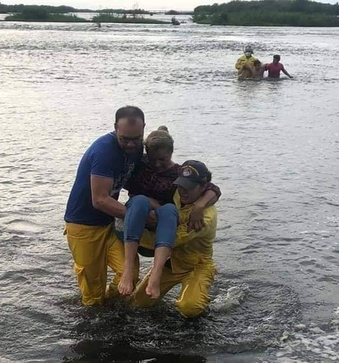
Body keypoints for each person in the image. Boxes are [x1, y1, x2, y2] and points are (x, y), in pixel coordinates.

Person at [118, 127, 221, 299]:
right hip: (167, 253)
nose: (157, 165)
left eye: (162, 160)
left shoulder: (177, 174)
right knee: (141, 201)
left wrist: (200, 206)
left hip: (189, 256)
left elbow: (212, 187)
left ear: (171, 153)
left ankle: (158, 276)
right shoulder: (140, 164)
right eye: (152, 160)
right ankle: (129, 270)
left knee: (189, 308)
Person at [64, 106, 145, 306]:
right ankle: (94, 321)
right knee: (93, 294)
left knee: (130, 273)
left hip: (108, 224)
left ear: (144, 128)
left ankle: (110, 304)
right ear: (115, 128)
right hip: (83, 226)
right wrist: (135, 216)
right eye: (125, 138)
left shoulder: (137, 147)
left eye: (136, 138)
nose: (131, 144)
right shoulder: (105, 151)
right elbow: (99, 199)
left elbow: (132, 182)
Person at [130, 160, 218, 318]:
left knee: (189, 308)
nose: (183, 191)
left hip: (197, 265)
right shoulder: (178, 194)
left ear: (203, 187)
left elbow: (172, 238)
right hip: (173, 261)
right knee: (138, 303)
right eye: (180, 185)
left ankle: (200, 298)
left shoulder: (205, 217)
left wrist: (131, 233)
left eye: (189, 188)